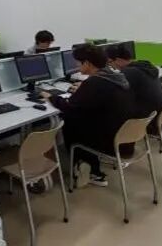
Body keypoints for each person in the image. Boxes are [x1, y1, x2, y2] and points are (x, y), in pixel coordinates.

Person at [41, 45, 135, 188]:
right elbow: (96, 97)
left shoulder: (94, 83)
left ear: (87, 63)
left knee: (69, 123)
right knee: (80, 119)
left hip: (107, 139)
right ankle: (90, 167)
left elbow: (69, 107)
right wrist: (84, 89)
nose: (76, 66)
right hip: (123, 133)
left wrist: (50, 97)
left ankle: (89, 170)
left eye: (78, 62)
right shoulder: (113, 76)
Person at [106, 44, 162, 133]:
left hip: (149, 122)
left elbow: (114, 92)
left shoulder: (129, 72)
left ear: (118, 60)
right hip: (160, 116)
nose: (110, 66)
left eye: (110, 62)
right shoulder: (145, 67)